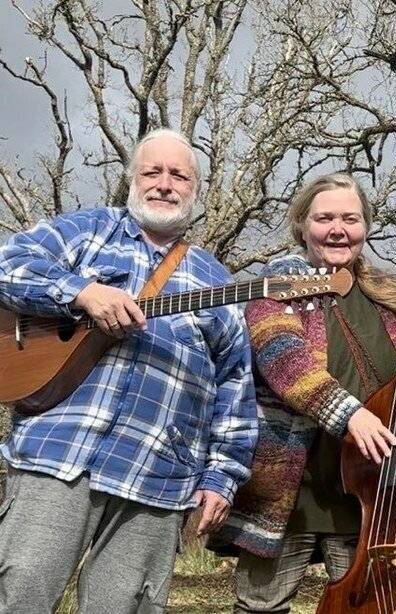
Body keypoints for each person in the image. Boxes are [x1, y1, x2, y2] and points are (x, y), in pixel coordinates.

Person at [0, 128, 258, 614]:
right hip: (59, 449)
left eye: (178, 175)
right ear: (132, 179)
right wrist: (81, 292)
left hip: (158, 473)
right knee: (21, 591)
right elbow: (8, 263)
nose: (164, 184)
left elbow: (236, 389)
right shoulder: (88, 231)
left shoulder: (217, 282)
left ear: (195, 189)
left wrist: (222, 477)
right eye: (152, 171)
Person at [210, 172, 396, 613]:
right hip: (292, 491)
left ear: (365, 227)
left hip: (371, 493)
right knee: (260, 606)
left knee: (367, 608)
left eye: (350, 219)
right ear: (302, 226)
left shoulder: (384, 294)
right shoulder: (276, 286)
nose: (338, 229)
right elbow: (285, 360)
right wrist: (352, 415)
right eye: (324, 218)